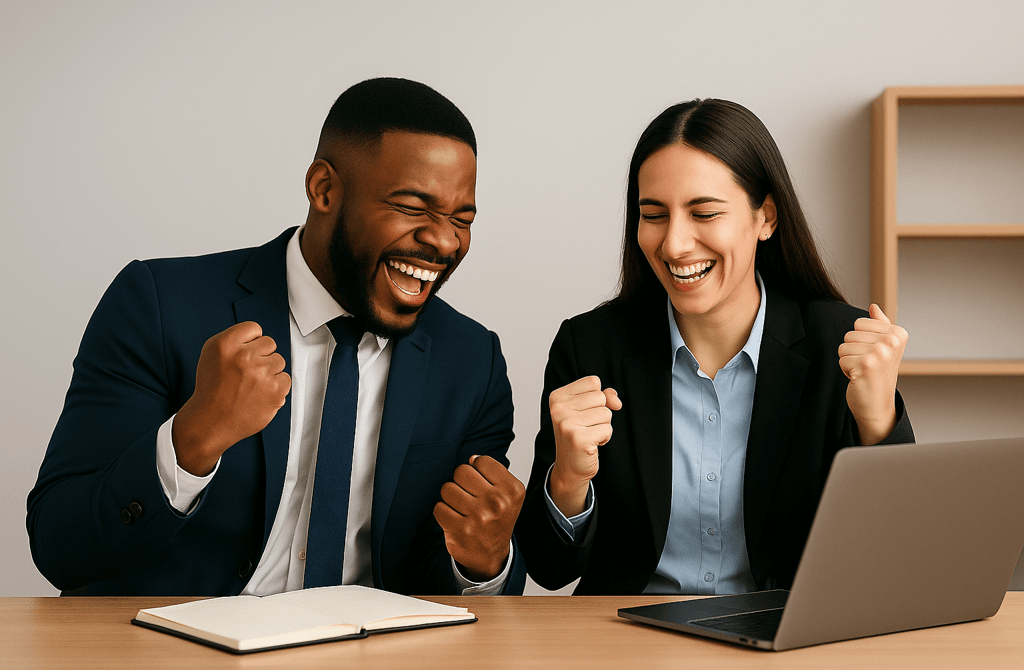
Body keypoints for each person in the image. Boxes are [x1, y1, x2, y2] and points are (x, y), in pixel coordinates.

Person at [27, 77, 526, 597]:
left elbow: (449, 582)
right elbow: (59, 546)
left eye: (461, 219)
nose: (444, 240)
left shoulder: (472, 360)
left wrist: (485, 563)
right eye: (412, 207)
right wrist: (193, 438)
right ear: (324, 189)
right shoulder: (159, 305)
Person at [516, 98, 914, 595]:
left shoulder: (844, 346)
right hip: (627, 642)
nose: (675, 244)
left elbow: (896, 560)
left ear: (765, 217)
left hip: (786, 643)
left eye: (703, 212)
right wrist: (569, 479)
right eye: (653, 215)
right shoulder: (591, 347)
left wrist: (877, 422)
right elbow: (550, 569)